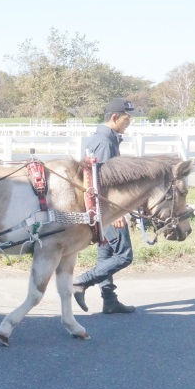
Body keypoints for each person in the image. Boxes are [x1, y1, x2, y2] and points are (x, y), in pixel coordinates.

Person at [73, 98, 136, 314]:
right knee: (124, 255)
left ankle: (109, 300)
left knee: (106, 255)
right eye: (127, 118)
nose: (130, 121)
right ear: (115, 117)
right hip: (107, 209)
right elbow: (100, 180)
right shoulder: (105, 142)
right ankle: (82, 282)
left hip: (102, 208)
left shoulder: (106, 138)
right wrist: (114, 210)